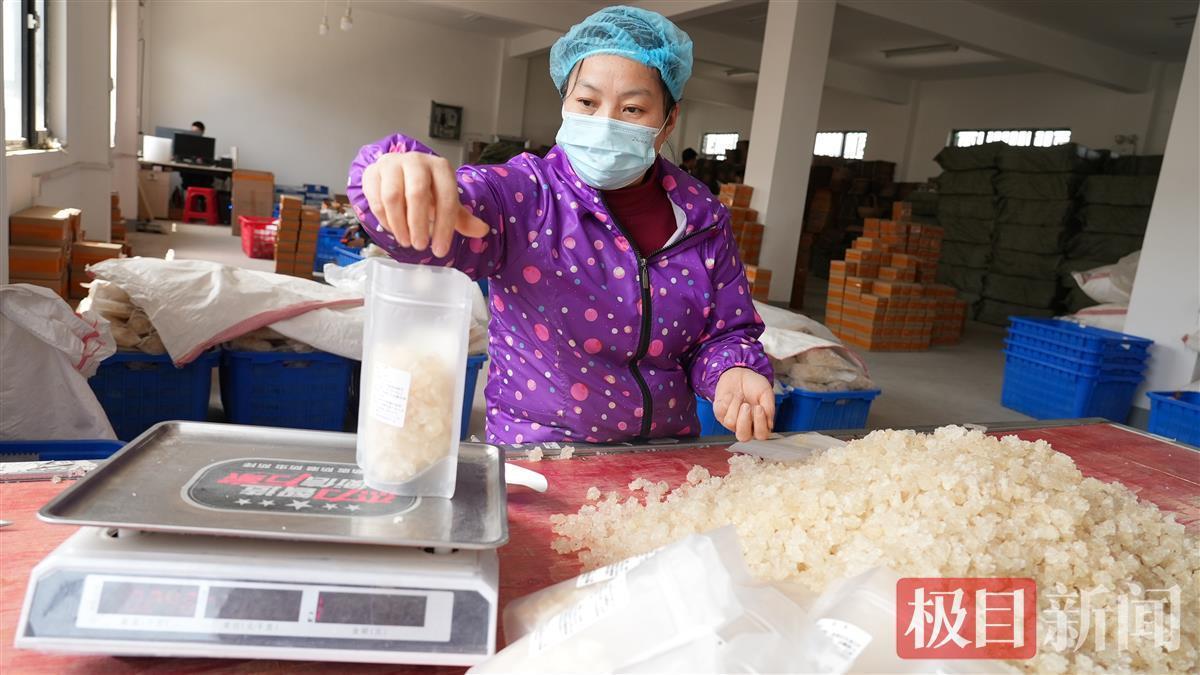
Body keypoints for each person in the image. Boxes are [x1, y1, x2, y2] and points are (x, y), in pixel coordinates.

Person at [347, 6, 774, 444]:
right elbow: (439, 219)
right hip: (541, 456)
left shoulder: (701, 218)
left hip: (661, 456)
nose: (605, 124)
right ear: (565, 103)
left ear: (668, 122)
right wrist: (393, 178)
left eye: (632, 108)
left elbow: (723, 331)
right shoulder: (525, 197)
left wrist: (732, 369)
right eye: (587, 102)